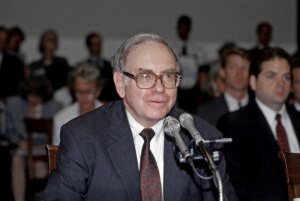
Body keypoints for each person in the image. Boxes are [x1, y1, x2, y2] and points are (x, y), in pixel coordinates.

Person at [40, 33, 237, 201]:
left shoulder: (201, 137)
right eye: (145, 76)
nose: (159, 88)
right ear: (120, 83)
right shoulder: (83, 137)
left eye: (168, 76)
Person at [217, 47, 300, 201]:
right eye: (271, 76)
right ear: (253, 82)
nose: (281, 83)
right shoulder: (234, 125)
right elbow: (238, 187)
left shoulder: (298, 119)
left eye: (286, 77)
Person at [6, 75, 62, 201]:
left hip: (44, 149)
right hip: (22, 149)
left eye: (37, 96)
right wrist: (18, 141)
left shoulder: (55, 107)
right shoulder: (13, 104)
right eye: (31, 95)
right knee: (16, 160)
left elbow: (57, 135)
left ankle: (41, 197)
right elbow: (9, 132)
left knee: (39, 167)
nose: (34, 99)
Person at [197, 47, 251, 127]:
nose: (239, 73)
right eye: (233, 67)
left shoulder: (262, 109)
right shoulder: (206, 112)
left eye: (244, 68)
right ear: (222, 72)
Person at [52, 63, 103, 145]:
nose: (83, 97)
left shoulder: (110, 118)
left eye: (88, 92)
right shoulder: (61, 119)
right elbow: (56, 154)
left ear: (98, 91)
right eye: (79, 91)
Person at [78, 31, 119, 103]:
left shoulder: (110, 65)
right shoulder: (82, 67)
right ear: (89, 46)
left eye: (99, 44)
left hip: (108, 102)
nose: (97, 47)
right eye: (94, 44)